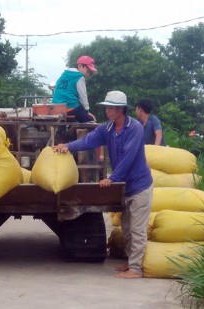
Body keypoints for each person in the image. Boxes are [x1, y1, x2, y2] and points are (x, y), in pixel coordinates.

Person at [52, 90, 153, 278]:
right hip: (125, 187)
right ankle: (130, 262)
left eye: (112, 108)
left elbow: (128, 158)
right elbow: (87, 141)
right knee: (127, 227)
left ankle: (136, 269)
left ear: (122, 109)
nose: (108, 111)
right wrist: (67, 147)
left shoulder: (135, 128)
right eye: (107, 108)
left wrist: (112, 178)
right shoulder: (106, 129)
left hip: (139, 186)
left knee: (138, 228)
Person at [52, 55, 97, 123]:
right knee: (90, 120)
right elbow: (83, 97)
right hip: (70, 108)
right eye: (88, 71)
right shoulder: (79, 77)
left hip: (56, 108)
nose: (88, 74)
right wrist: (87, 112)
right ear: (80, 66)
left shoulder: (63, 76)